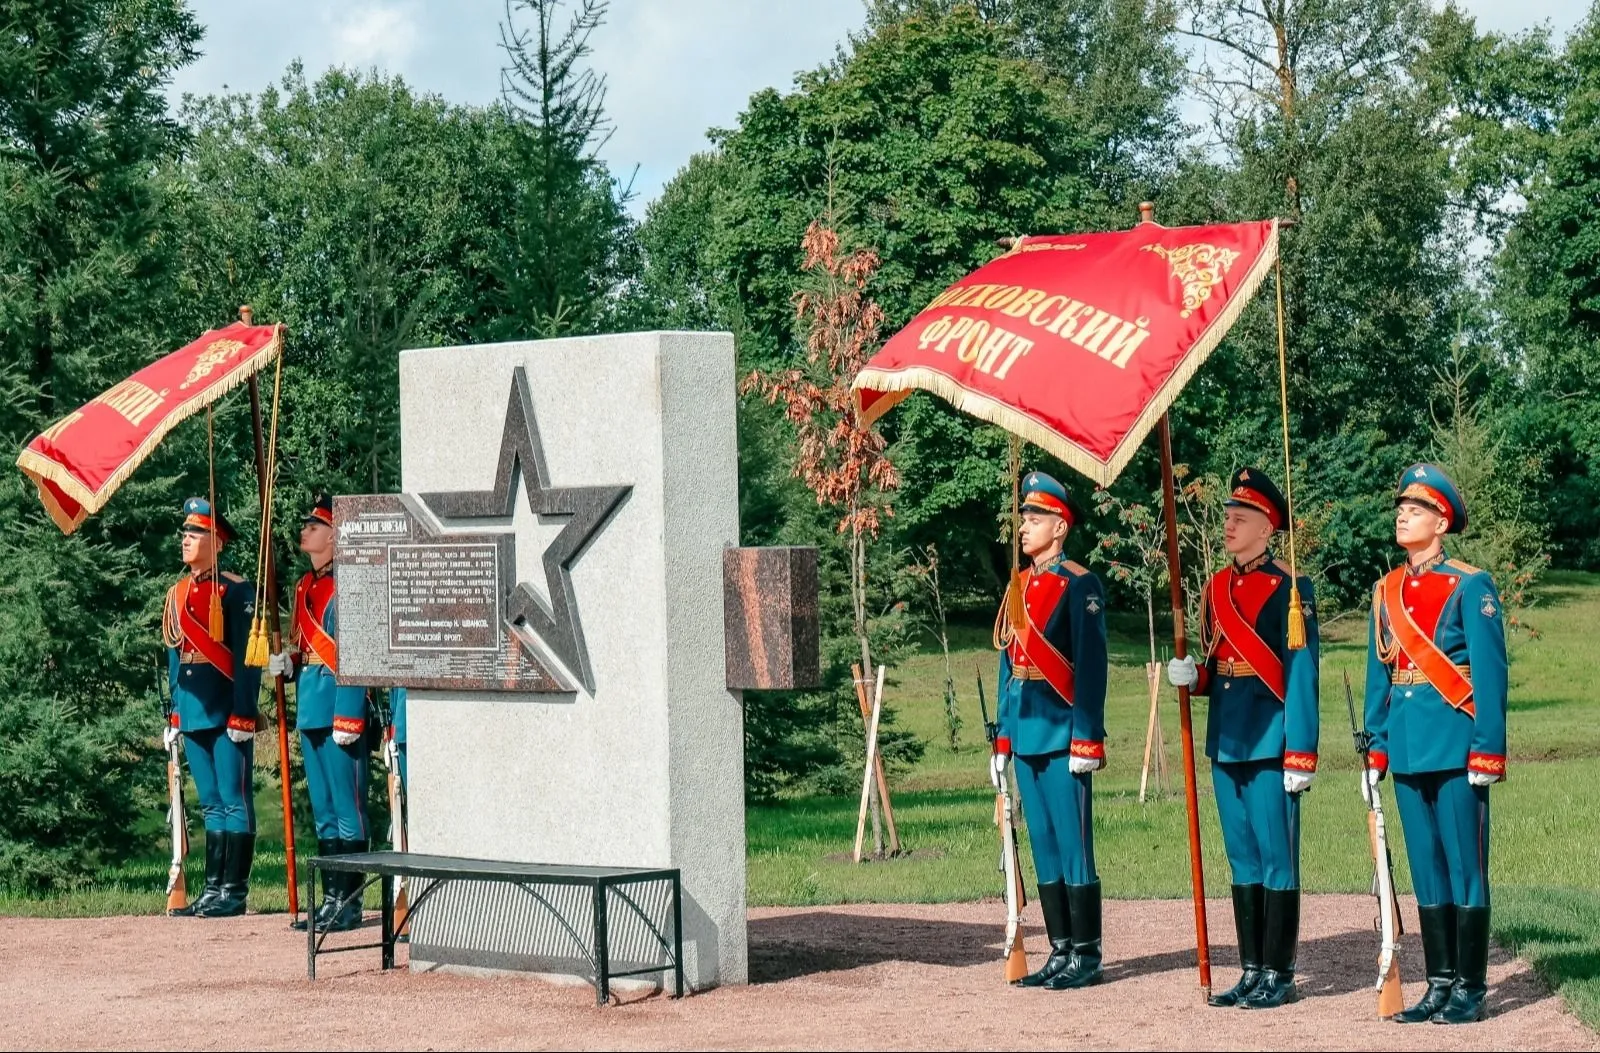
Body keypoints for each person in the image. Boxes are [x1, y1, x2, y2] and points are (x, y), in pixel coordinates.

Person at [1167, 468, 1319, 1009]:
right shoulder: (1216, 587)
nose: (1229, 524)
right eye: (1228, 515)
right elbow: (1215, 663)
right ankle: (1251, 968)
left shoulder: (1291, 587)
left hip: (1272, 738)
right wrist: (1195, 677)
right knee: (1241, 859)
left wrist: (1301, 751)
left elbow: (1301, 675)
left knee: (1277, 858)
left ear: (1267, 527)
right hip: (1226, 738)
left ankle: (1280, 972)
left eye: (1241, 517)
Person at [1362, 463, 1507, 1025]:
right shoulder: (1387, 589)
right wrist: (1376, 745)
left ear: (1441, 520)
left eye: (1415, 509)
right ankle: (1438, 982)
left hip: (1455, 742)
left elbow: (1490, 675)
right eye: (1401, 509)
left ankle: (1471, 987)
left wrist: (1488, 749)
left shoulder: (1471, 584)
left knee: (1465, 867)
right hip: (1406, 743)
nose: (1403, 516)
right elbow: (1380, 673)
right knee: (1425, 868)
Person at [990, 470, 1108, 990]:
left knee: (1074, 845)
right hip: (1027, 730)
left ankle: (1086, 952)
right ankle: (1059, 948)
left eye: (1034, 518)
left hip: (1063, 735)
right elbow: (1007, 667)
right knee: (1042, 842)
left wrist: (1087, 737)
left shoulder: (1080, 584)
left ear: (1059, 527)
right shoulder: (1019, 584)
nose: (1023, 526)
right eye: (1023, 516)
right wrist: (1003, 737)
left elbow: (1092, 667)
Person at [272, 494, 370, 933]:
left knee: (348, 809)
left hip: (337, 708)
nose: (305, 531)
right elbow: (308, 649)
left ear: (334, 536)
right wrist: (289, 664)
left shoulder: (349, 584)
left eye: (314, 526)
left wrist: (349, 715)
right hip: (311, 705)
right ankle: (330, 898)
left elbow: (357, 653)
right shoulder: (303, 587)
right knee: (325, 810)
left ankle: (348, 903)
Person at [161, 497, 261, 917]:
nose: (186, 539)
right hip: (194, 709)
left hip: (226, 710)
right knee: (210, 804)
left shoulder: (236, 590)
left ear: (216, 541)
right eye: (185, 532)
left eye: (195, 533)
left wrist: (245, 709)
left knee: (234, 799)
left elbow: (248, 658)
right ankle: (213, 889)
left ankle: (234, 893)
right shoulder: (178, 593)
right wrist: (175, 709)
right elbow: (174, 655)